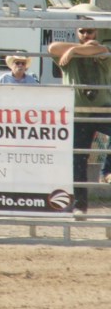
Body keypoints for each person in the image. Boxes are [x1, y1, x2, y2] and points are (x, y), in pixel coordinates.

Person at [48, 24, 111, 218]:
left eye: (89, 31)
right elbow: (52, 48)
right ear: (77, 33)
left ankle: (107, 171)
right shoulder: (68, 53)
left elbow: (102, 50)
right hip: (79, 113)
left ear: (96, 32)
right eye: (82, 31)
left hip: (102, 108)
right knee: (78, 159)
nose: (85, 35)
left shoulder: (97, 51)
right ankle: (80, 205)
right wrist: (78, 48)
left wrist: (75, 49)